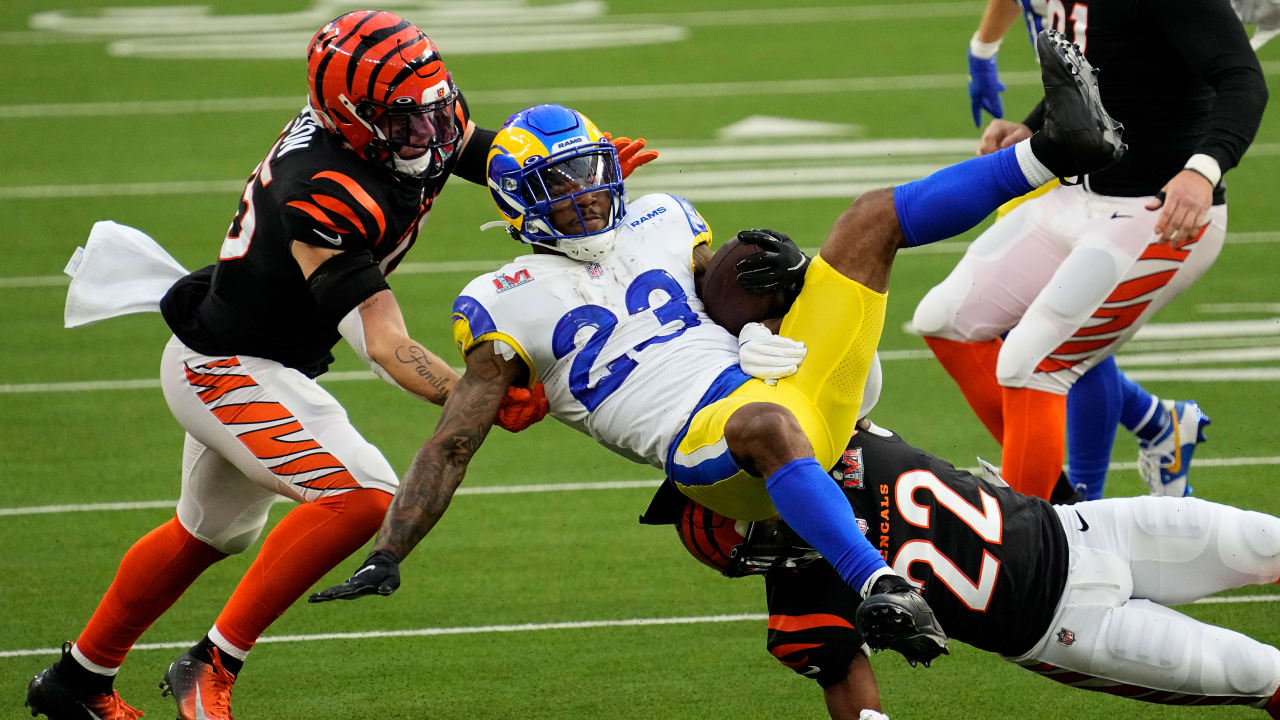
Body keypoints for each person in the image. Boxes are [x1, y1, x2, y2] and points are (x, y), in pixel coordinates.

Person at [310, 30, 1125, 675]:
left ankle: (1058, 152)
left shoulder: (663, 218)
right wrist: (391, 550)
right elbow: (454, 439)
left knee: (871, 219)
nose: (591, 193)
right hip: (716, 451)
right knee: (765, 421)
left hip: (785, 386)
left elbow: (735, 305)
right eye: (564, 185)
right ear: (522, 203)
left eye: (593, 173)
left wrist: (795, 278)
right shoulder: (502, 299)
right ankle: (877, 581)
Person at [24, 10, 656, 720]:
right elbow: (385, 345)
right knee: (360, 495)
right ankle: (211, 664)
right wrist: (470, 396)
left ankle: (76, 681)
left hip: (253, 349)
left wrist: (566, 180)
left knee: (208, 533)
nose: (431, 132)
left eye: (435, 109)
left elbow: (470, 151)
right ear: (355, 121)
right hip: (227, 366)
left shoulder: (404, 121)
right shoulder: (324, 187)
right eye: (407, 122)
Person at [647, 419, 1280, 720]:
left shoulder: (818, 433)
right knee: (1263, 674)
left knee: (1270, 542)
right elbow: (853, 698)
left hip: (1087, 529)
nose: (778, 551)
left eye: (760, 534)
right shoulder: (802, 603)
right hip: (1067, 630)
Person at [916, 0, 1267, 503]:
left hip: (1159, 213)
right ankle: (1060, 517)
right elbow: (1096, 78)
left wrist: (1203, 169)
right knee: (946, 320)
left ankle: (1031, 551)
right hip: (1075, 197)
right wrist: (1034, 126)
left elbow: (1243, 79)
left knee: (1032, 363)